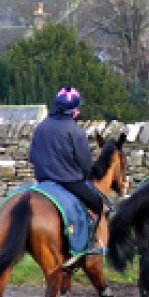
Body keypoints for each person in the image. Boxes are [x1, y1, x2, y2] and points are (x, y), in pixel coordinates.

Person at [29, 86, 105, 254]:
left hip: (43, 181)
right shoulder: (75, 131)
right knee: (97, 204)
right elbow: (85, 163)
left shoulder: (40, 127)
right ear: (74, 111)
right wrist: (84, 175)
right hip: (69, 181)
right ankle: (91, 243)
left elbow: (32, 156)